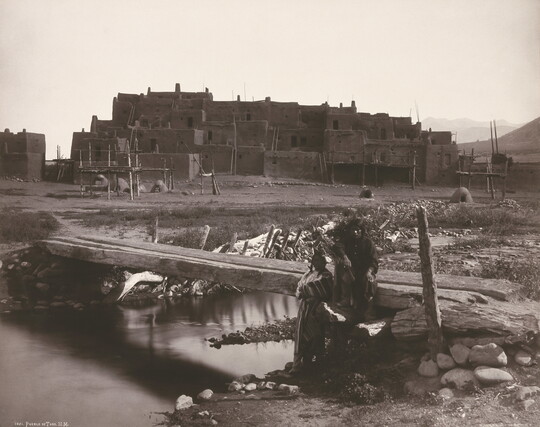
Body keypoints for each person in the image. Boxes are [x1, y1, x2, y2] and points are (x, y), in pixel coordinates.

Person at [290, 250, 333, 374]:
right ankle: (299, 364)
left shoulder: (326, 275)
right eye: (315, 261)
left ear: (324, 262)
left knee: (315, 334)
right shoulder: (308, 274)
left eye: (320, 261)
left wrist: (306, 290)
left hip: (316, 309)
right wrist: (304, 290)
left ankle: (316, 364)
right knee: (301, 334)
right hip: (305, 308)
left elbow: (323, 289)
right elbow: (299, 288)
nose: (317, 263)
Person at [329, 219, 378, 317]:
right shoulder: (347, 241)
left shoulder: (368, 243)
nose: (355, 232)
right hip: (352, 270)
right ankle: (346, 300)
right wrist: (345, 257)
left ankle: (369, 310)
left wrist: (369, 272)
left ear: (362, 230)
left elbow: (373, 261)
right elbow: (337, 246)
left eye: (358, 230)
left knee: (369, 283)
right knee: (343, 272)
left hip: (365, 271)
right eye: (353, 230)